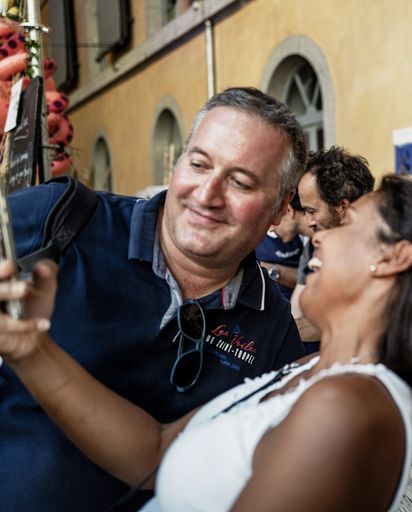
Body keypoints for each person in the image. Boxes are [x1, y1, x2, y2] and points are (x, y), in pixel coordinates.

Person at [0, 175, 412, 511]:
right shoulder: (309, 372)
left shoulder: (351, 406)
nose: (316, 237)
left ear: (392, 258)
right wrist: (31, 350)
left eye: (343, 226)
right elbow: (153, 452)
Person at [0, 87, 308, 510]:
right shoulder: (61, 218)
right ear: (178, 163)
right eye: (198, 164)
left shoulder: (272, 330)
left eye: (240, 182)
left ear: (279, 209)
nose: (207, 195)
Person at [291, 146, 375, 348]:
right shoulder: (318, 240)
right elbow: (299, 308)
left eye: (311, 211)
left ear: (342, 207)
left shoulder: (381, 252)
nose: (309, 222)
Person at [256, 192, 306, 299]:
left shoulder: (309, 241)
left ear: (288, 210)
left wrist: (268, 270)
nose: (270, 229)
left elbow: (308, 282)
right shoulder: (255, 240)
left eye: (272, 221)